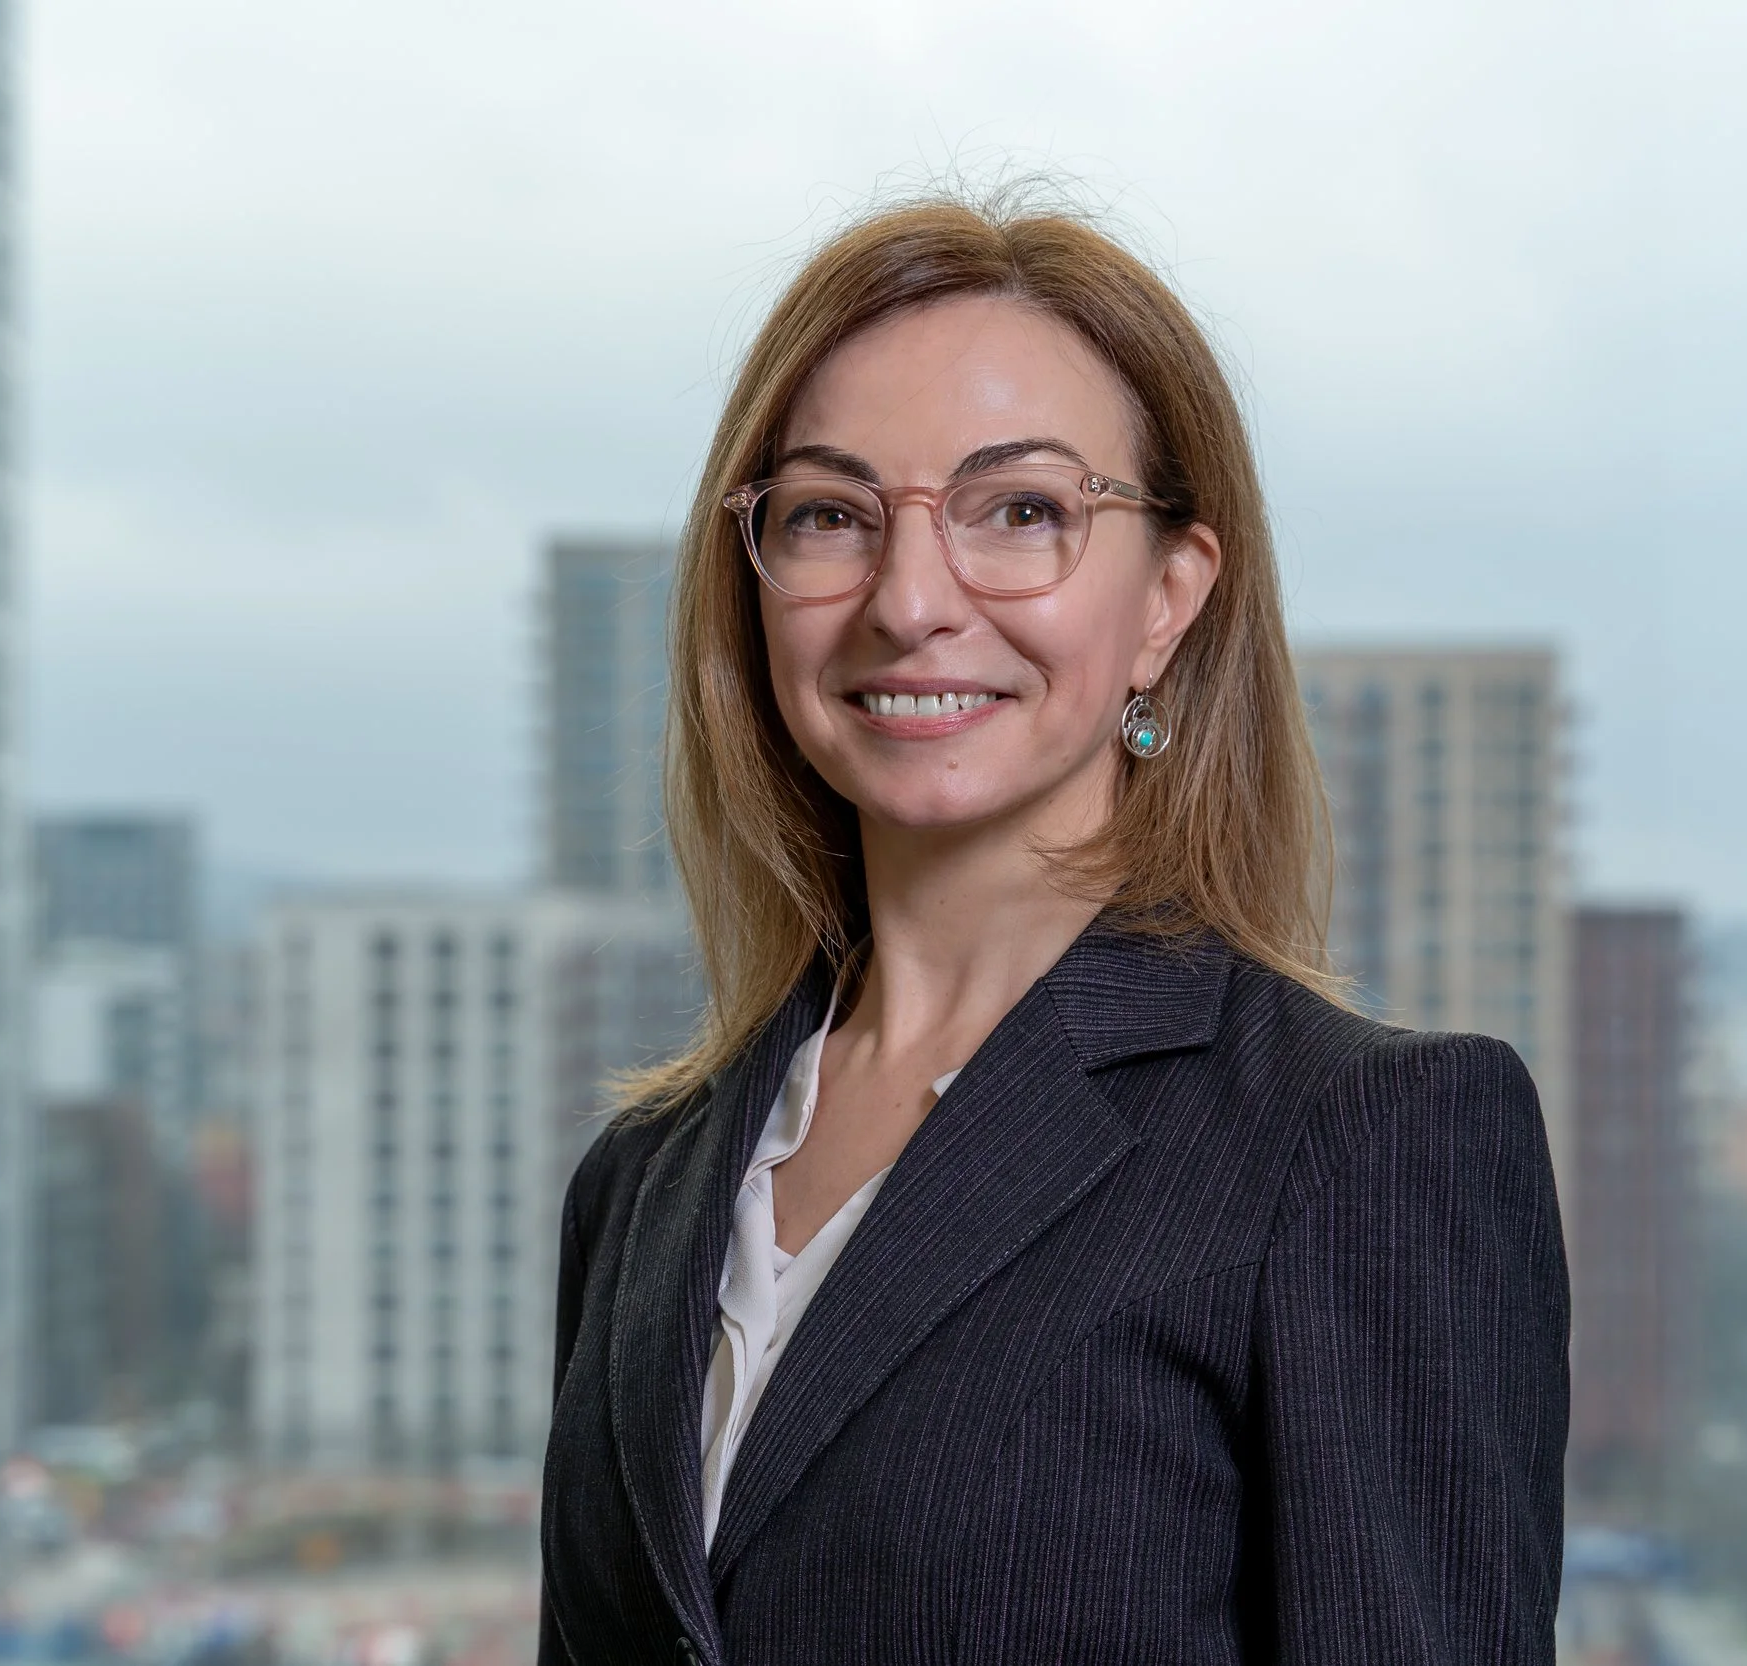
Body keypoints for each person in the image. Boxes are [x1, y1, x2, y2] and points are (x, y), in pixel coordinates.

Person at [538, 191, 1569, 1665]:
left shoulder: (1358, 1140)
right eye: (831, 514)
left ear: (1168, 596)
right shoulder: (641, 1187)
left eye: (1020, 511)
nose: (907, 600)